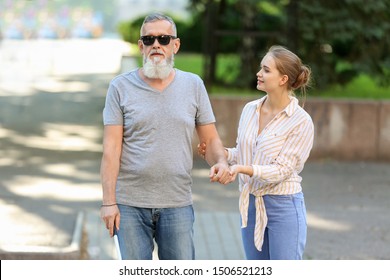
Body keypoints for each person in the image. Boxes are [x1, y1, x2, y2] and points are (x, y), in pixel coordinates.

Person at [100, 13, 230, 260]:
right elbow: (111, 149)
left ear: (175, 45)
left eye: (163, 38)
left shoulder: (193, 85)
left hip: (177, 203)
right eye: (148, 39)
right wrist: (108, 202)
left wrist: (221, 162)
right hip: (129, 205)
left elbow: (211, 140)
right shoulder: (119, 87)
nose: (156, 44)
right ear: (141, 46)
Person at [199, 45, 314, 260]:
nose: (259, 74)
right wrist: (219, 154)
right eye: (261, 68)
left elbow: (282, 170)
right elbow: (243, 152)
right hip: (251, 205)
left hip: (284, 207)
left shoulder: (301, 122)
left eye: (266, 70)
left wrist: (241, 169)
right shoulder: (250, 109)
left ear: (283, 79)